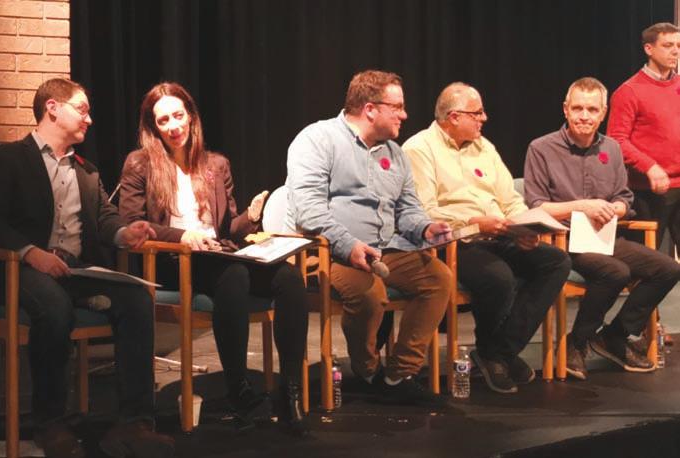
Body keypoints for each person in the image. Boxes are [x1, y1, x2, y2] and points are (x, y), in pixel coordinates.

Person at [0, 78, 173, 458]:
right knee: (54, 306)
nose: (89, 119)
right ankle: (50, 423)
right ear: (52, 108)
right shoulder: (5, 159)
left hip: (75, 270)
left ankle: (134, 423)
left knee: (136, 299)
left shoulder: (88, 171)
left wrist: (125, 233)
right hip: (21, 269)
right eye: (82, 110)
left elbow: (105, 219)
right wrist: (31, 253)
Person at [118, 82, 309, 436]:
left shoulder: (216, 164)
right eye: (163, 121)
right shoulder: (140, 164)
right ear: (153, 127)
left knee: (289, 277)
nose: (173, 126)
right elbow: (131, 224)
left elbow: (227, 230)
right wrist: (181, 237)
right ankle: (239, 390)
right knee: (234, 274)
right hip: (172, 260)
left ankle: (290, 390)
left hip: (218, 256)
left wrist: (251, 217)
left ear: (191, 116)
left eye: (178, 116)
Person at [286, 70, 453, 405]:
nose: (405, 115)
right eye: (397, 107)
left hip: (386, 249)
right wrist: (348, 246)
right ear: (370, 109)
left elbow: (407, 208)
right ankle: (368, 371)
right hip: (329, 252)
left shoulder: (396, 153)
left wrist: (424, 227)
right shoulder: (318, 140)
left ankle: (400, 374)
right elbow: (309, 212)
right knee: (369, 293)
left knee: (438, 279)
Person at [402, 82, 571, 394]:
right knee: (498, 277)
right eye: (477, 113)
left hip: (500, 234)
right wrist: (473, 222)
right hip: (454, 241)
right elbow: (424, 211)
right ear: (454, 117)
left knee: (555, 261)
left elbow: (510, 199)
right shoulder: (419, 149)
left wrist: (525, 226)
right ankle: (496, 354)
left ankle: (498, 352)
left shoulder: (484, 147)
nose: (484, 118)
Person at [524, 77, 680, 379]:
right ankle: (578, 343)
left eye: (592, 110)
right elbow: (537, 206)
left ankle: (614, 336)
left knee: (668, 269)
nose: (584, 116)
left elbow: (623, 196)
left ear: (603, 113)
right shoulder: (542, 148)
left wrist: (617, 208)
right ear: (566, 110)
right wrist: (582, 206)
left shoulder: (611, 148)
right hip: (563, 240)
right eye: (578, 108)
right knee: (615, 271)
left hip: (604, 236)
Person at [607, 22, 680, 257]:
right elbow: (616, 140)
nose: (675, 51)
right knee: (649, 262)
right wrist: (649, 166)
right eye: (668, 45)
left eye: (678, 46)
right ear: (649, 49)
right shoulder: (630, 91)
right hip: (649, 191)